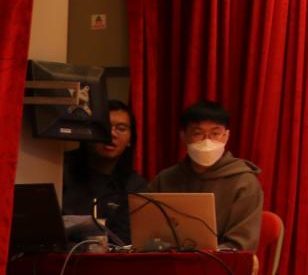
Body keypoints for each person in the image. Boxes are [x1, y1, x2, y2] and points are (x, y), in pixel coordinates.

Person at [151, 100, 264, 251]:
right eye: (198, 133)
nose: (207, 141)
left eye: (215, 134)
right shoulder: (165, 179)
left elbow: (241, 244)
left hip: (219, 261)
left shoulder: (244, 182)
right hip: (168, 260)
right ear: (183, 136)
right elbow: (148, 232)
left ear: (226, 136)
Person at [61, 99, 144, 243]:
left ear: (130, 140)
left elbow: (126, 242)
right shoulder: (60, 169)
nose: (112, 134)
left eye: (121, 128)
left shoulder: (134, 186)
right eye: (105, 126)